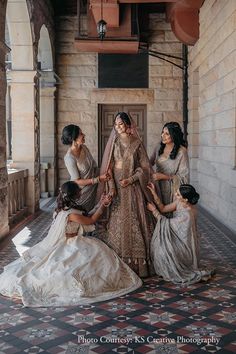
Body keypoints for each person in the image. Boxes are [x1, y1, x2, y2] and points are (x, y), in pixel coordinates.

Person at [0, 182, 142, 307]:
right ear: (76, 195)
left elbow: (85, 217)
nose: (81, 191)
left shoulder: (61, 210)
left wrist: (101, 202)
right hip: (72, 243)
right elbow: (91, 220)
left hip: (69, 241)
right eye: (79, 190)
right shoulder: (72, 214)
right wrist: (103, 206)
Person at [99, 112, 155, 278]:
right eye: (116, 124)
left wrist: (131, 179)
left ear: (128, 125)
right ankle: (118, 263)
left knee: (134, 218)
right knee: (117, 219)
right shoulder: (114, 142)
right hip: (116, 184)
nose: (118, 127)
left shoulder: (137, 143)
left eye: (121, 124)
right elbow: (108, 168)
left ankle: (138, 266)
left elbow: (144, 168)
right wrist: (111, 187)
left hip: (132, 187)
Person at [147, 183, 214, 285]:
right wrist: (154, 193)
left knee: (162, 252)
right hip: (178, 237)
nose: (175, 194)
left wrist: (153, 210)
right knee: (161, 249)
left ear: (185, 199)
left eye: (178, 194)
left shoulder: (188, 213)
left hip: (184, 245)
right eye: (177, 192)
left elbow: (167, 223)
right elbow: (163, 208)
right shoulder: (179, 202)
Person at [61, 124, 110, 212]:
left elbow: (94, 168)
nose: (84, 135)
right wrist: (98, 179)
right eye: (81, 134)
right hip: (82, 193)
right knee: (85, 216)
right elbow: (77, 181)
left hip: (95, 188)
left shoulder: (84, 148)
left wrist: (106, 170)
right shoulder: (69, 158)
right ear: (74, 139)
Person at [150, 122, 189, 206]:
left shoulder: (181, 151)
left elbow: (184, 177)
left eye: (167, 134)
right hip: (157, 187)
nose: (162, 136)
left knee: (169, 214)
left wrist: (164, 176)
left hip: (172, 191)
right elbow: (149, 163)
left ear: (174, 135)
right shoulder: (158, 147)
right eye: (162, 132)